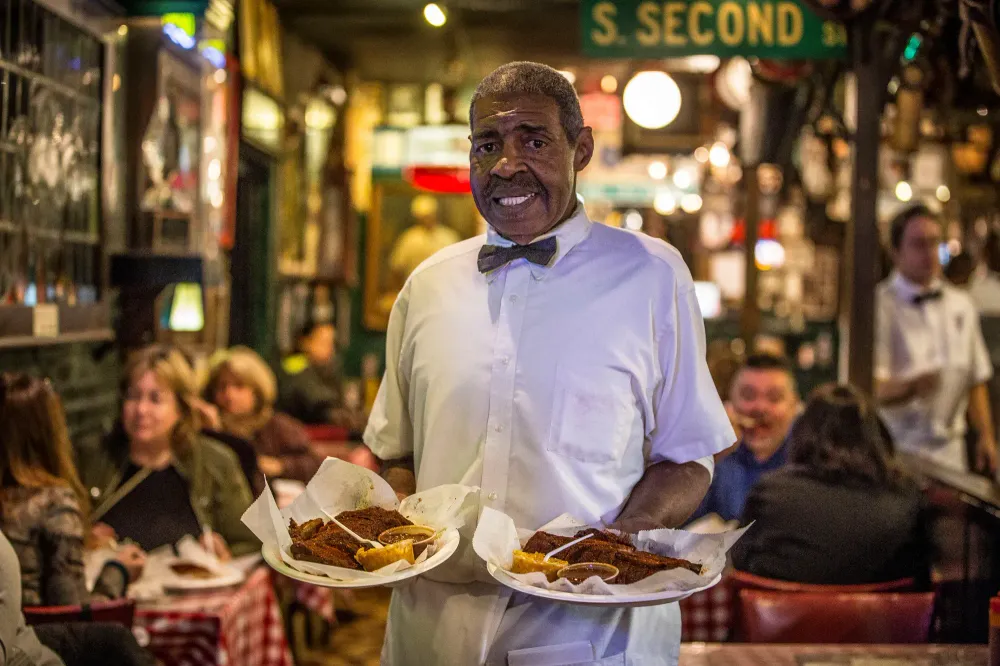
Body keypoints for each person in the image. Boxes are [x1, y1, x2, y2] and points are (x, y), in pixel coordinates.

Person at [365, 61, 735, 666]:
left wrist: (619, 537)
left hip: (591, 631)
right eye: (488, 145)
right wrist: (402, 525)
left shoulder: (652, 276)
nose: (507, 165)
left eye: (533, 141)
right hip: (435, 632)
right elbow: (396, 449)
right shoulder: (427, 286)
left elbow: (689, 457)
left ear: (580, 149)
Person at [732, 384, 933, 587]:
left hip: (782, 617)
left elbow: (739, 564)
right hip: (879, 618)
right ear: (878, 437)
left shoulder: (771, 493)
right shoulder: (906, 497)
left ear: (802, 433)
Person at [77, 346, 257, 558]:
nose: (141, 410)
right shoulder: (93, 457)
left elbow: (251, 543)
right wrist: (83, 539)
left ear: (181, 408)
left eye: (155, 399)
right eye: (133, 397)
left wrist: (225, 552)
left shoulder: (216, 461)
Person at [0, 373, 143, 607]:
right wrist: (118, 572)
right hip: (31, 640)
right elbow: (74, 616)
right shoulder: (53, 502)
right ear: (50, 431)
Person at [875, 205, 998, 474]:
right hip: (897, 449)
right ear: (896, 252)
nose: (929, 253)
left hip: (951, 453)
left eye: (934, 243)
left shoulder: (961, 304)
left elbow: (976, 379)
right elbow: (868, 387)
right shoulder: (879, 306)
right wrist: (910, 387)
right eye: (918, 244)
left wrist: (987, 437)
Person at [1, 529, 153, 666]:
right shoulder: (59, 511)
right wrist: (119, 570)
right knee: (118, 641)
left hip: (28, 635)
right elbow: (71, 611)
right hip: (36, 645)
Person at [689, 353, 800, 523]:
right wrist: (709, 456)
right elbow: (672, 525)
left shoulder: (806, 463)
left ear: (794, 407)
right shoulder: (717, 456)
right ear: (730, 401)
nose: (760, 407)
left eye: (774, 398)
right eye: (748, 396)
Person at [203, 346, 322, 492]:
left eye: (239, 386)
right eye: (222, 387)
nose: (229, 395)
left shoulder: (277, 426)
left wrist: (280, 466)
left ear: (257, 390)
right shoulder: (208, 427)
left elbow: (315, 464)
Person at [277, 320, 362, 430]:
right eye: (323, 342)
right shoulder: (294, 364)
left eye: (332, 343)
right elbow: (315, 399)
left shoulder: (327, 369)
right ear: (305, 342)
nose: (330, 349)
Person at [388, 195, 461, 284]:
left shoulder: (448, 237)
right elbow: (397, 268)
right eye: (424, 217)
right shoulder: (409, 238)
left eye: (430, 215)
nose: (427, 219)